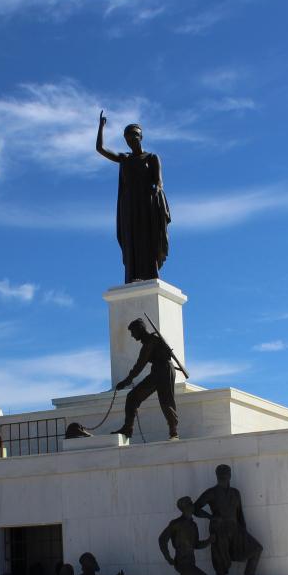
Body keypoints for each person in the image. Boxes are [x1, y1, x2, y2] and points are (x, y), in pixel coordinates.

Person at [96, 112, 171, 284]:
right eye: (128, 138)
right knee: (132, 240)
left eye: (134, 136)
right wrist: (101, 127)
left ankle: (151, 273)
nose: (131, 140)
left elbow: (159, 181)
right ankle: (133, 275)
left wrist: (157, 189)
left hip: (146, 204)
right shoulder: (124, 158)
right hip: (129, 206)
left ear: (141, 137)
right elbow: (100, 149)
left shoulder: (151, 158)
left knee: (147, 238)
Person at [193, 464, 264, 575]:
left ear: (230, 475)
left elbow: (240, 514)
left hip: (235, 528)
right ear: (217, 476)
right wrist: (211, 517)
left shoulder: (235, 493)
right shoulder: (211, 492)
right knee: (219, 560)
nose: (224, 476)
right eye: (221, 474)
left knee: (257, 548)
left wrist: (244, 531)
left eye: (226, 473)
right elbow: (195, 508)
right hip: (219, 529)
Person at [112, 319, 178, 439]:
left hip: (164, 371)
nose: (132, 335)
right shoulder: (150, 341)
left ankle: (174, 432)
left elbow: (140, 365)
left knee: (166, 401)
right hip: (157, 371)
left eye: (133, 332)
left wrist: (126, 381)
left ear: (140, 329)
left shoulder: (150, 342)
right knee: (132, 397)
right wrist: (127, 380)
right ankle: (128, 428)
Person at [158, 496, 214, 575]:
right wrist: (168, 557)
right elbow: (162, 539)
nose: (193, 506)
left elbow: (196, 545)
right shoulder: (176, 523)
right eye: (190, 504)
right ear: (184, 508)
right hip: (182, 562)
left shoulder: (193, 525)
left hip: (191, 561)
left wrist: (209, 541)